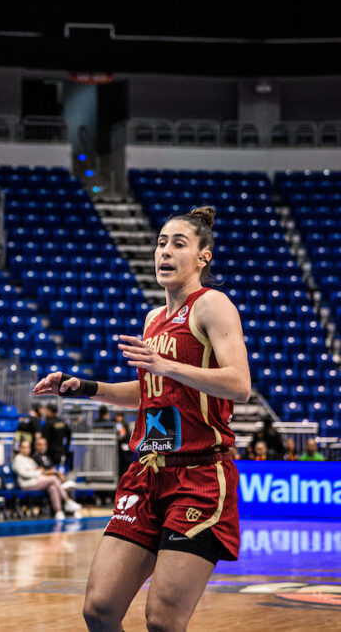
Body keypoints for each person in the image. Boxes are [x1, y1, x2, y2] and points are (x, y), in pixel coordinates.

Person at [34, 206, 251, 632]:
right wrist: (86, 387)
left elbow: (239, 384)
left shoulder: (212, 305)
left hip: (199, 476)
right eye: (161, 243)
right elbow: (151, 392)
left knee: (164, 622)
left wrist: (166, 365)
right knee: (99, 609)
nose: (165, 251)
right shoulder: (154, 319)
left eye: (179, 244)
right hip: (147, 474)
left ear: (203, 257)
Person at [12, 440, 81, 521]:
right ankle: (67, 501)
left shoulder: (29, 459)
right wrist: (38, 472)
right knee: (53, 478)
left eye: (28, 447)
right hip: (26, 484)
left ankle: (58, 511)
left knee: (52, 487)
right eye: (24, 447)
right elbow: (25, 474)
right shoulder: (17, 459)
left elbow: (39, 469)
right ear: (20, 448)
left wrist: (38, 471)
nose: (26, 449)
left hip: (36, 481)